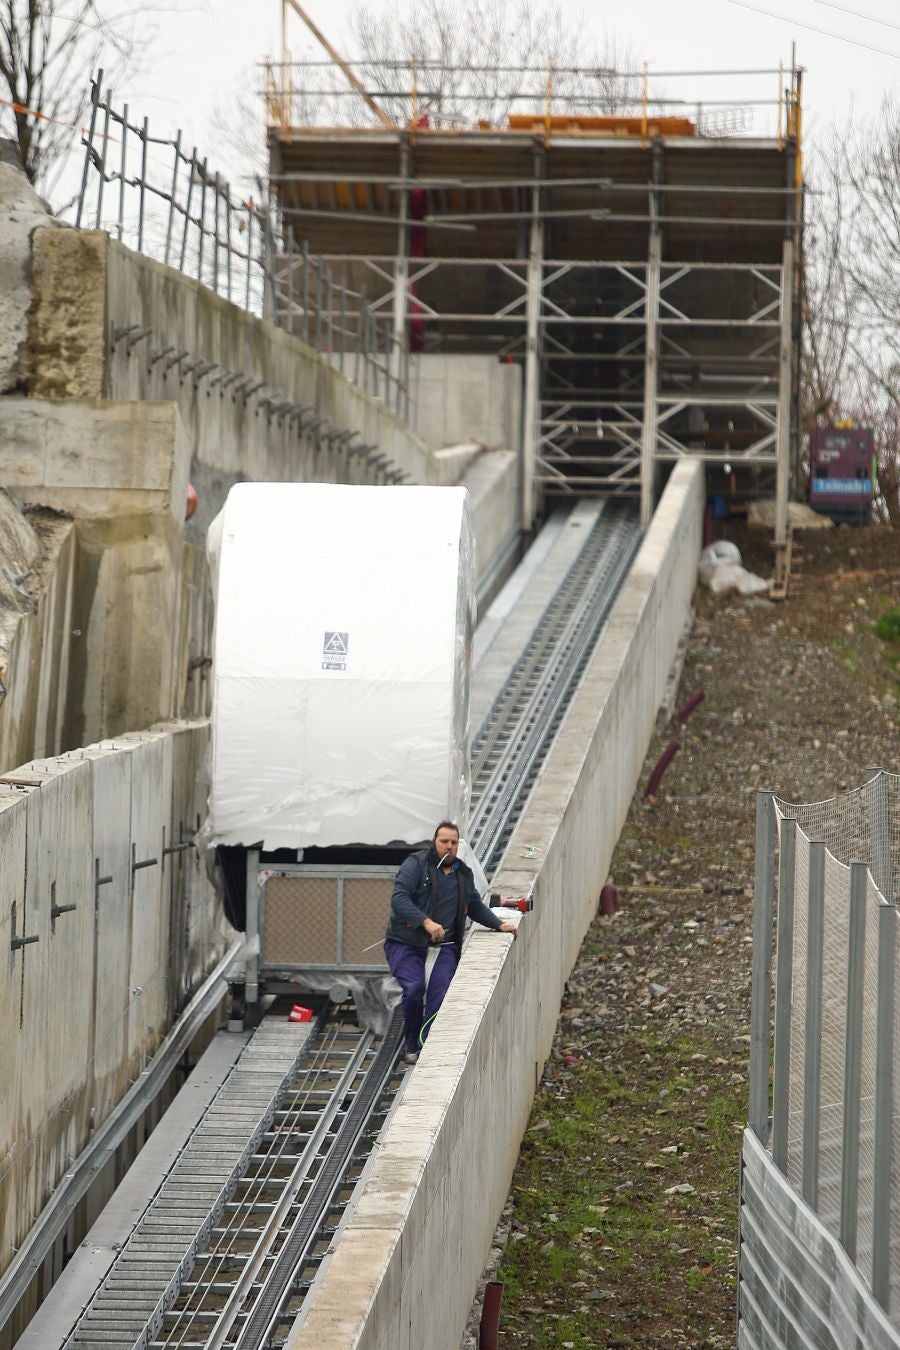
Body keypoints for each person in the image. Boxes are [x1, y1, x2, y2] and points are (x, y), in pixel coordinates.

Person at [384, 820, 516, 1063]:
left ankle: (428, 1044)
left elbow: (475, 906)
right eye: (444, 841)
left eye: (453, 843)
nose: (449, 846)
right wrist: (425, 922)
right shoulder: (415, 866)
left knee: (440, 995)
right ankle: (410, 1044)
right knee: (413, 989)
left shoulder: (462, 875)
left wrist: (499, 924)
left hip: (444, 948)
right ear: (435, 842)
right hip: (406, 943)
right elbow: (399, 899)